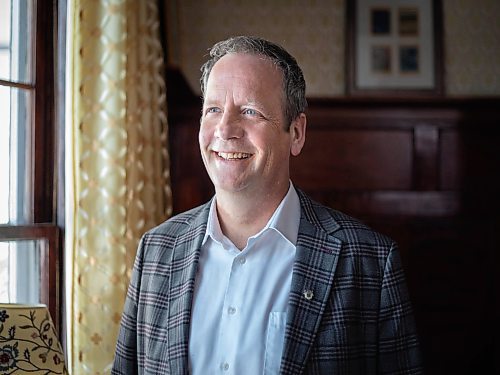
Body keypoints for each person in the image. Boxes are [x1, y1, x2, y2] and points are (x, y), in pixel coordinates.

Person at [112, 36, 422, 374]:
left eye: (250, 111)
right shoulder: (156, 250)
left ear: (297, 133)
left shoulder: (369, 263)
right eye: (213, 109)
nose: (226, 130)